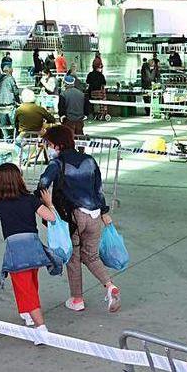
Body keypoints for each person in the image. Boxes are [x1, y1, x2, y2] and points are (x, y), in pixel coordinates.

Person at [38, 125, 122, 313]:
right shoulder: (90, 161)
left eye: (49, 144)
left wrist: (42, 204)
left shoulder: (57, 164)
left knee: (73, 258)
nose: (48, 147)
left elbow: (42, 185)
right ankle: (109, 286)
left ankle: (77, 299)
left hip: (73, 218)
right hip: (94, 216)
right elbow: (98, 189)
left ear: (57, 145)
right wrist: (104, 212)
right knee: (91, 256)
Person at [0, 163, 59, 338]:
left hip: (15, 249)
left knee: (24, 287)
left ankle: (41, 327)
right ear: (19, 179)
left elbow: (2, 211)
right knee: (30, 282)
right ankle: (27, 313)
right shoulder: (30, 200)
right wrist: (49, 203)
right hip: (33, 246)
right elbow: (51, 217)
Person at [0, 67, 22, 133]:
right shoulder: (10, 78)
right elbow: (16, 92)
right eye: (11, 72)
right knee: (14, 121)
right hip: (9, 105)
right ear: (9, 71)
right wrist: (18, 101)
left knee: (2, 124)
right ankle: (15, 134)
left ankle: (6, 136)